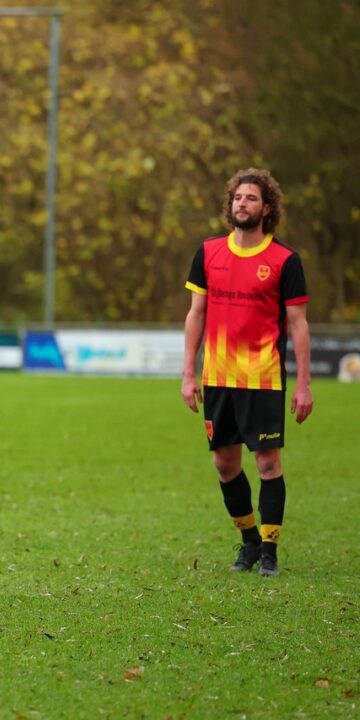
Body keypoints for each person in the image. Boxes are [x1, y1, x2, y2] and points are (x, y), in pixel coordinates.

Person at [181, 168, 312, 577]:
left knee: (268, 465)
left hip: (263, 378)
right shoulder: (208, 253)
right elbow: (195, 314)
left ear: (266, 207)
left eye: (252, 198)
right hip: (217, 378)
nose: (243, 203)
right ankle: (250, 542)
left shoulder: (285, 260)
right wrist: (188, 373)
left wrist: (304, 384)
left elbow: (299, 324)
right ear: (230, 204)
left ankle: (270, 551)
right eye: (238, 197)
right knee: (224, 464)